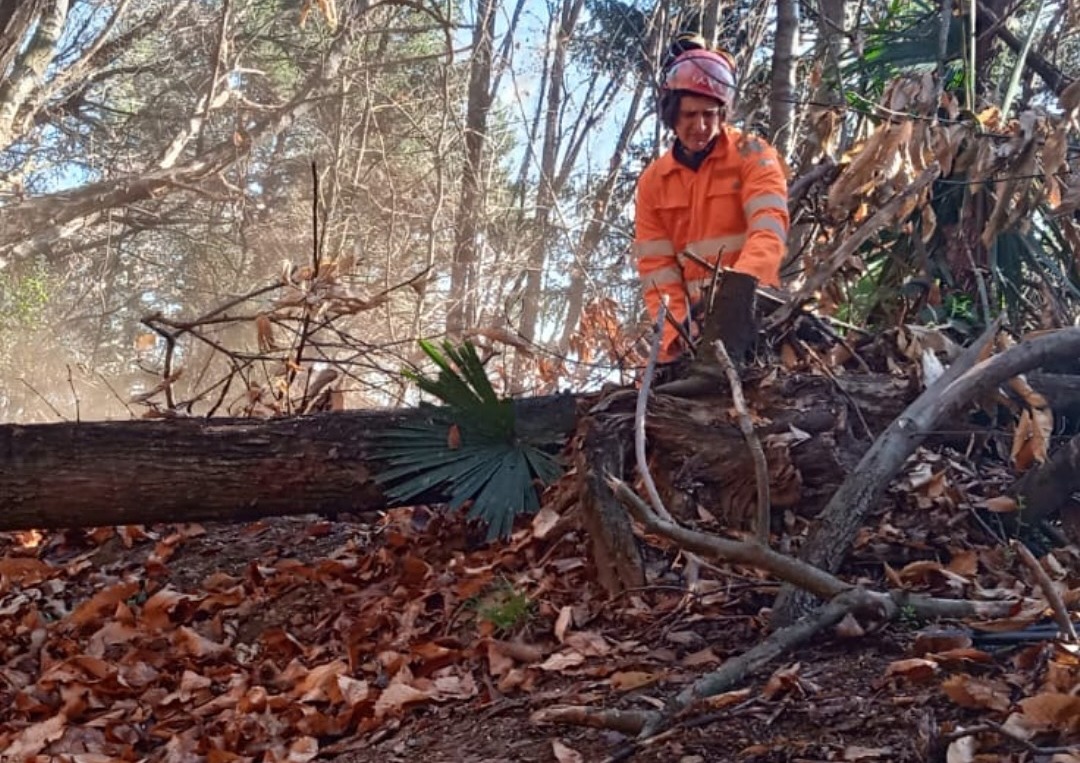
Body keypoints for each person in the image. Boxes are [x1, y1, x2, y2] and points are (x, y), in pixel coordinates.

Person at [634, 34, 789, 364]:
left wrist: (736, 297)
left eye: (710, 114)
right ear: (672, 112)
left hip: (752, 318)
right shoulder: (653, 182)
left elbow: (769, 229)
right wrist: (678, 330)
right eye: (690, 115)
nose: (701, 126)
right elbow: (657, 270)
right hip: (689, 330)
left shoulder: (752, 154)